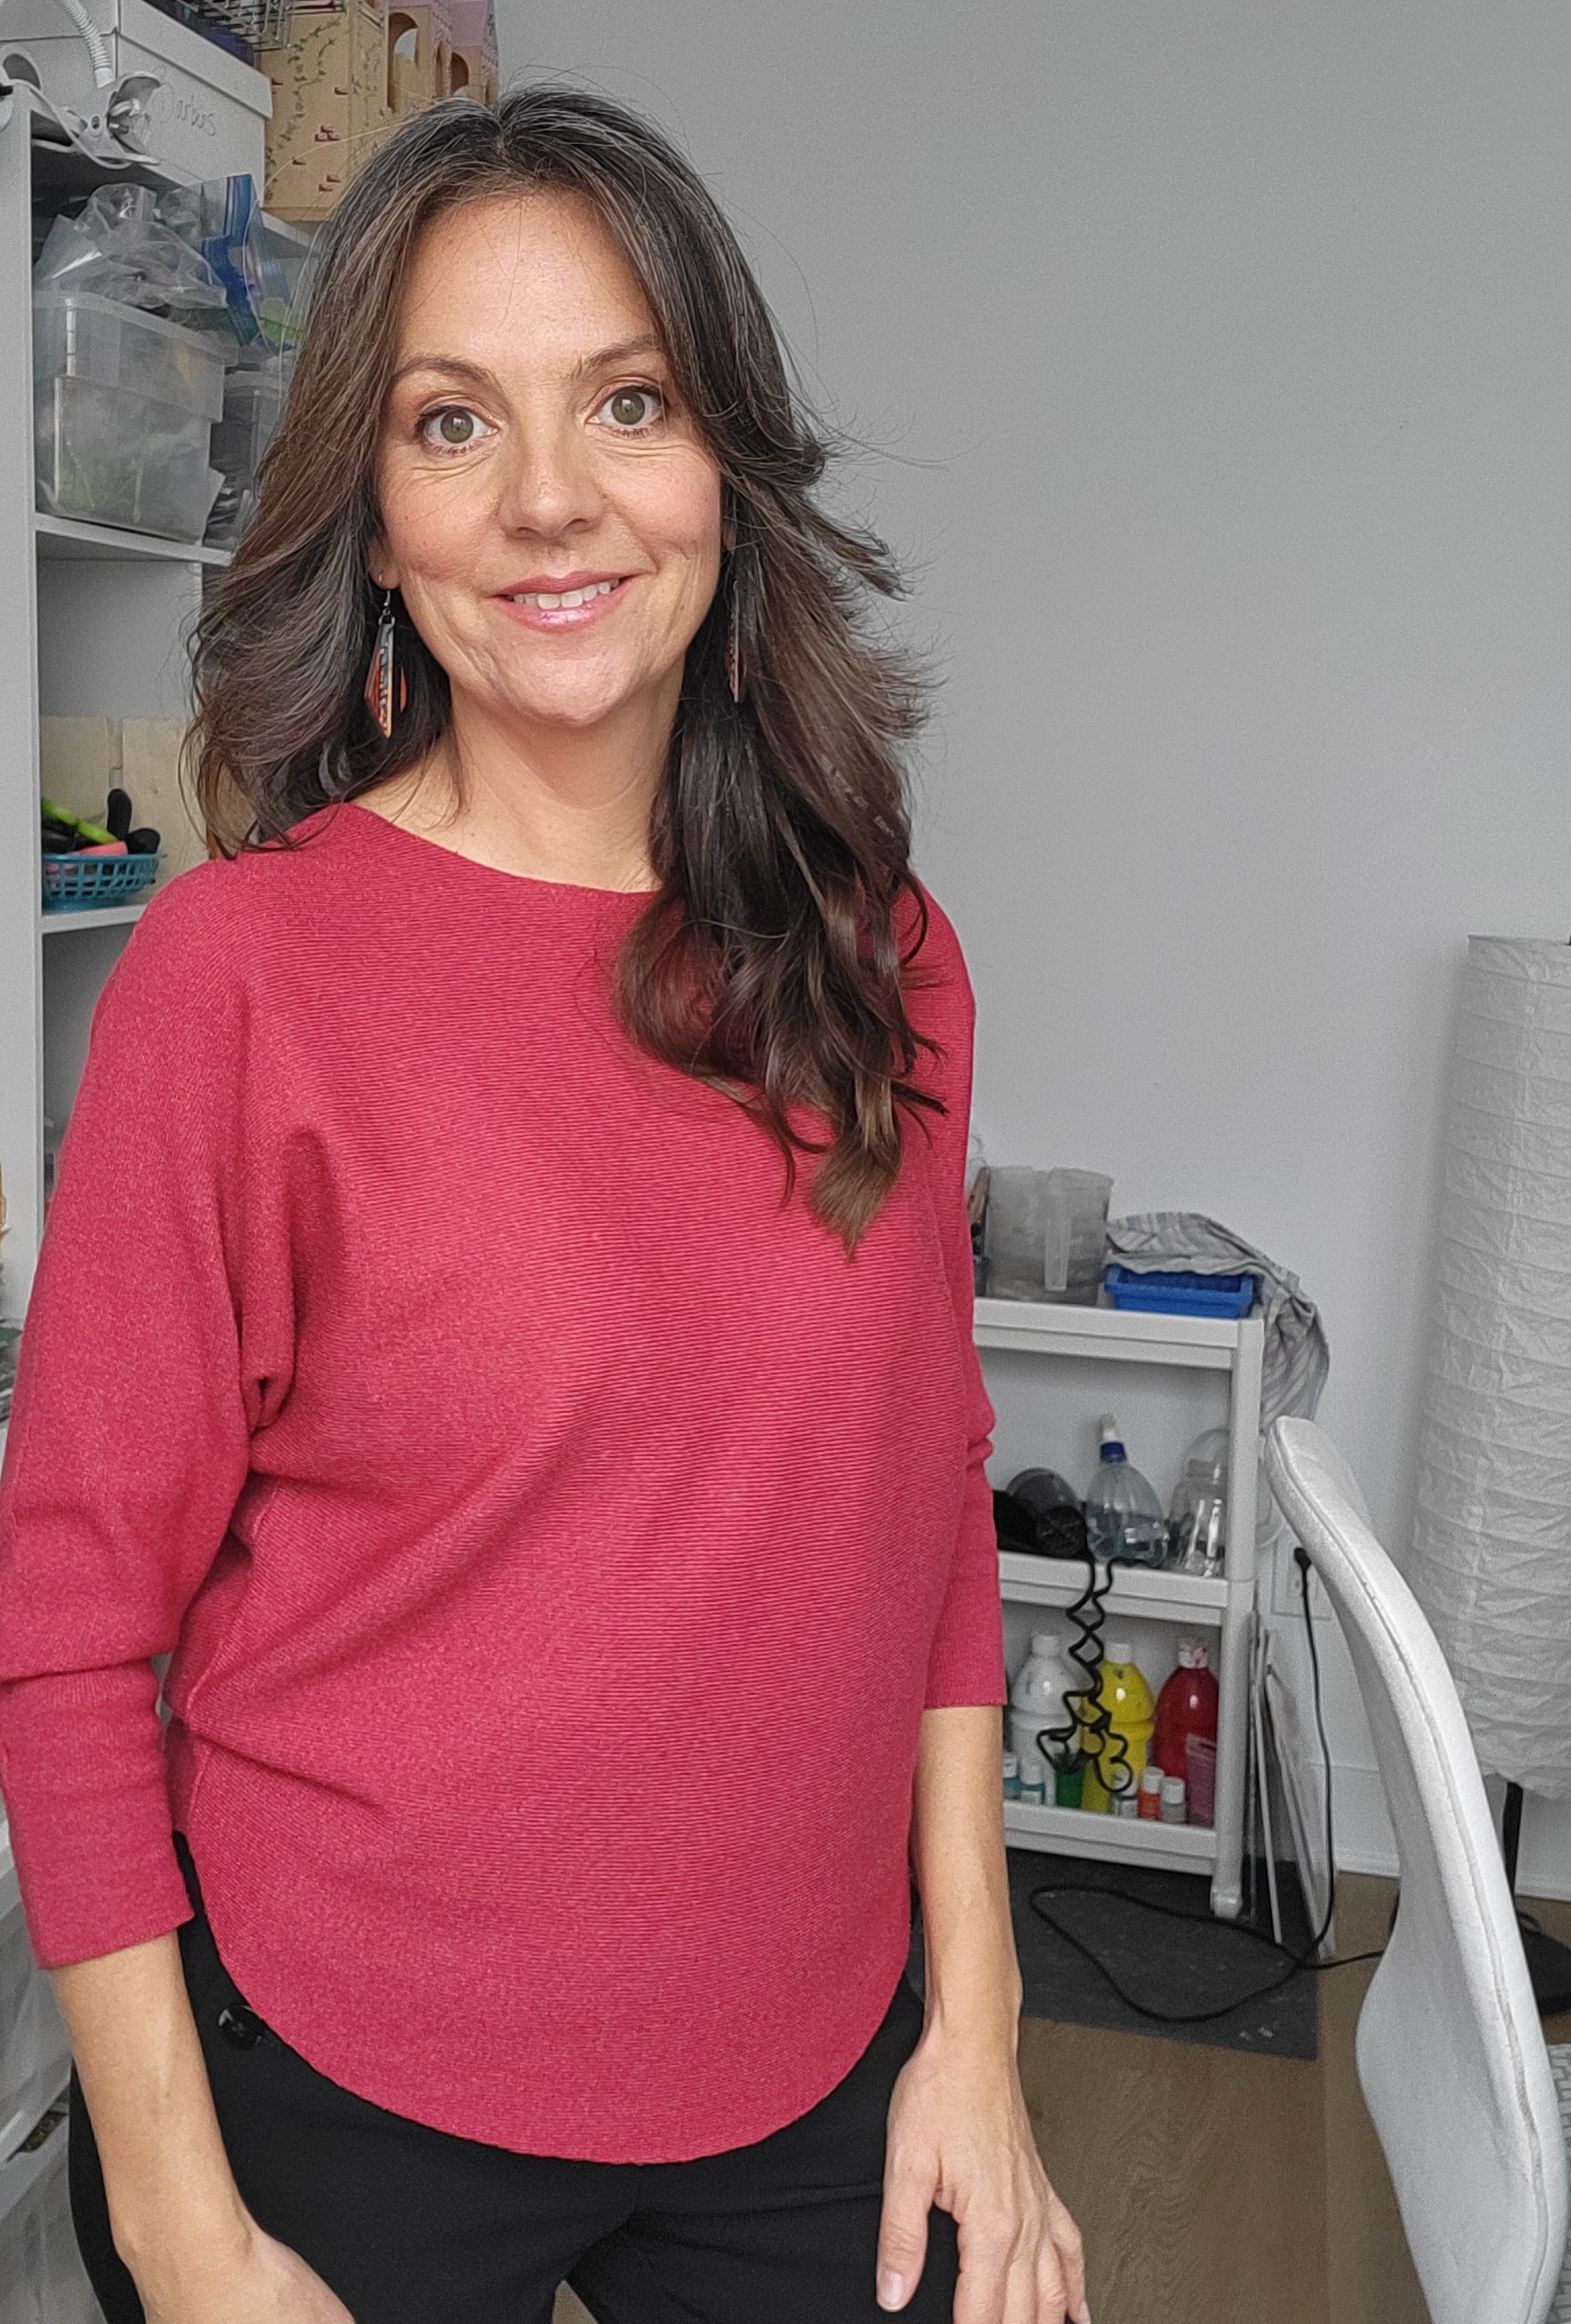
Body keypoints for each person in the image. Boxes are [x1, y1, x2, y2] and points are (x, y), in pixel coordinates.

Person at [0, 87, 1087, 2324]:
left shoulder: (881, 958)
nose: (551, 499)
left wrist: (975, 2036)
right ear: (376, 518)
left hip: (817, 2050)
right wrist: (182, 2234)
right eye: (451, 423)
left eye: (626, 401)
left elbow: (928, 1505)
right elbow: (71, 1630)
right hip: (336, 2071)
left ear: (724, 470)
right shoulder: (240, 978)